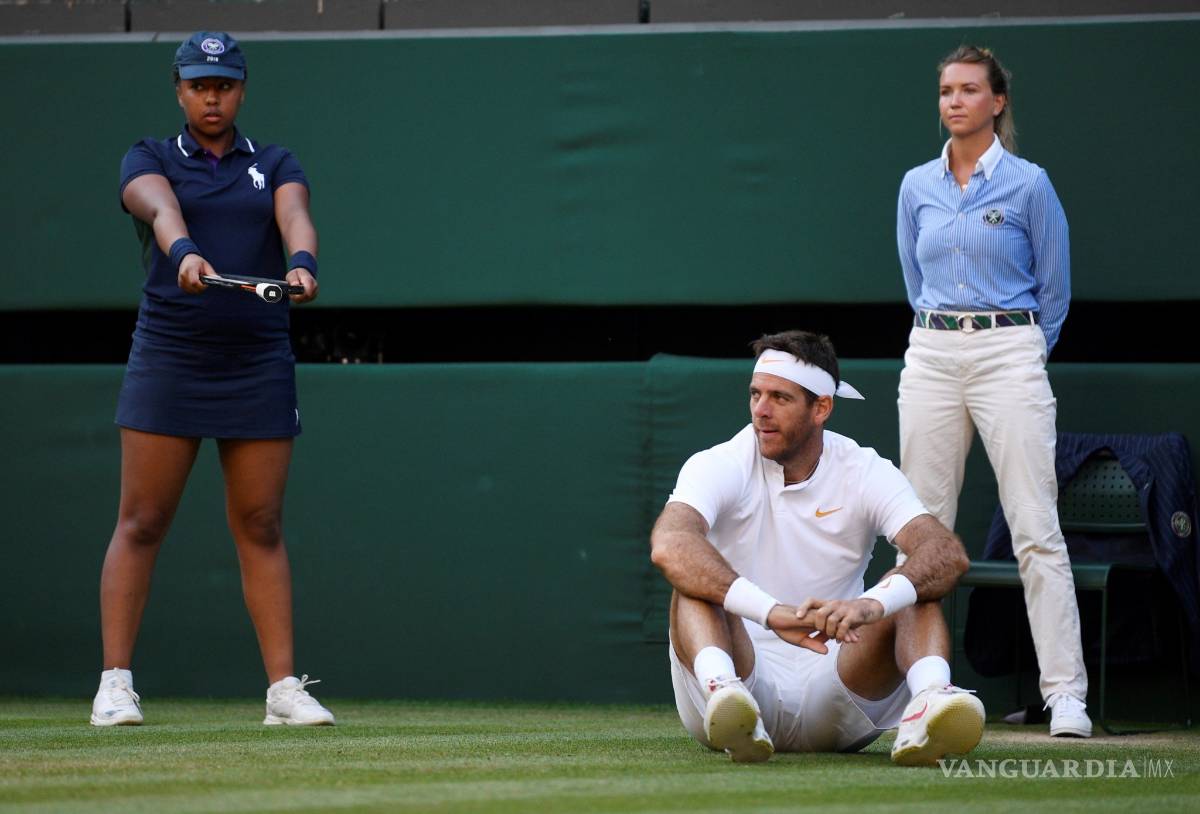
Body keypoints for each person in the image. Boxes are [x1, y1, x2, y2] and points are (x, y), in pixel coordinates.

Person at [91, 32, 333, 727]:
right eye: (199, 85)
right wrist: (185, 252)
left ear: (241, 90)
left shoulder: (275, 162)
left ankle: (283, 691)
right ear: (179, 90)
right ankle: (114, 685)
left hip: (256, 360)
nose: (212, 98)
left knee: (261, 523)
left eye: (223, 85)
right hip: (170, 357)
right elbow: (159, 207)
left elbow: (295, 215)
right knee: (142, 521)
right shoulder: (148, 156)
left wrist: (303, 263)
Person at [650, 330, 984, 765]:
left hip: (839, 682)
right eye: (755, 394)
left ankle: (931, 700)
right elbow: (670, 544)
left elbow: (945, 553)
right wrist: (770, 612)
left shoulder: (864, 468)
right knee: (693, 575)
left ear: (821, 408)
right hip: (740, 671)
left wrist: (871, 605)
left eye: (780, 398)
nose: (761, 410)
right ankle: (723, 691)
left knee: (911, 583)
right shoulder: (719, 463)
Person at [895, 45, 1090, 738]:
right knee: (920, 533)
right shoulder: (916, 185)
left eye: (969, 89)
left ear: (997, 101)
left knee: (1035, 527)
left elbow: (1055, 290)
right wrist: (947, 338)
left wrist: (1024, 349)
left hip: (1010, 349)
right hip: (931, 350)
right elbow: (914, 280)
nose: (954, 101)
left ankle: (1065, 694)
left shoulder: (1030, 184)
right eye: (946, 90)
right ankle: (917, 692)